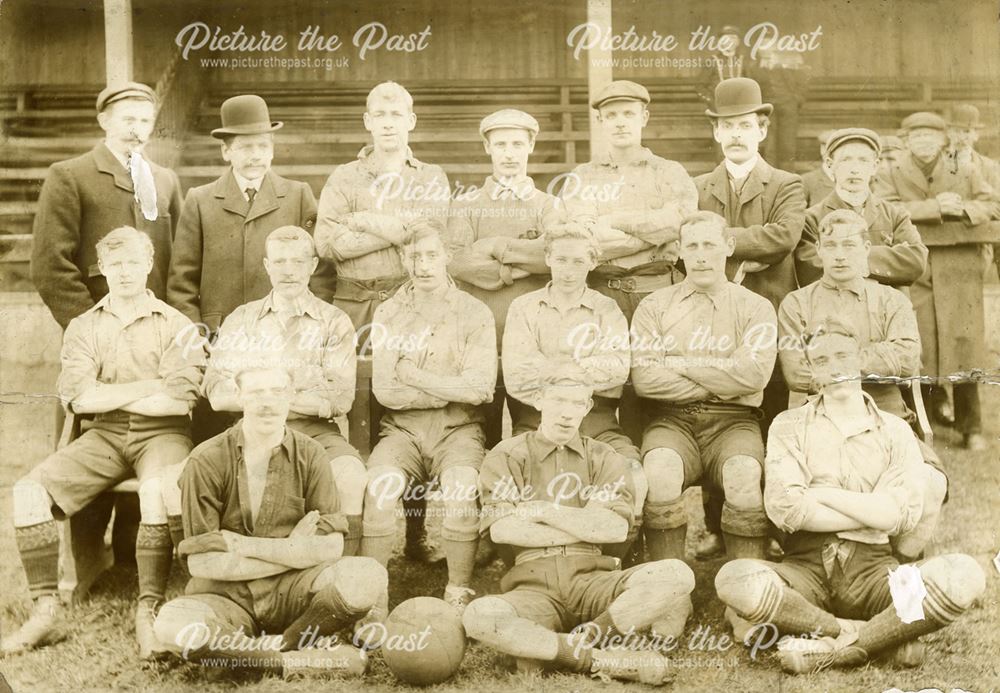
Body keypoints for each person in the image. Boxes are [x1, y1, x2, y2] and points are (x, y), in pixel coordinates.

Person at [715, 319, 985, 674]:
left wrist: (822, 493)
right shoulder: (789, 425)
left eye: (843, 355)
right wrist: (870, 509)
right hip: (805, 569)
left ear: (859, 359)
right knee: (733, 578)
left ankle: (838, 649)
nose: (835, 367)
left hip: (875, 572)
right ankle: (860, 634)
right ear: (812, 371)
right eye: (822, 360)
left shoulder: (896, 430)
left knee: (965, 574)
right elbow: (788, 510)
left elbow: (897, 516)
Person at [5, 227, 203, 659]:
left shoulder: (177, 324)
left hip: (163, 436)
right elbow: (79, 397)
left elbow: (179, 401)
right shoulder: (84, 325)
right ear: (103, 271)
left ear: (149, 264)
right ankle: (46, 610)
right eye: (116, 265)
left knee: (155, 491)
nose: (126, 272)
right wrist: (149, 385)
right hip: (105, 433)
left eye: (133, 262)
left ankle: (147, 608)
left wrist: (113, 391)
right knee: (28, 492)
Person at [152, 365, 384, 679]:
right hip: (224, 594)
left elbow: (331, 548)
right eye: (256, 392)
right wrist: (294, 550)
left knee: (368, 575)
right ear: (239, 396)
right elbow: (203, 564)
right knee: (170, 626)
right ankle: (293, 661)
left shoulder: (312, 454)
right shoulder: (205, 459)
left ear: (291, 397)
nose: (267, 402)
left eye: (277, 392)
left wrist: (240, 546)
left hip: (293, 591)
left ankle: (273, 646)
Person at [462, 378, 696, 685]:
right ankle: (600, 659)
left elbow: (613, 529)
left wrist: (544, 511)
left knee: (678, 575)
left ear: (587, 407)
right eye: (559, 401)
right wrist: (586, 523)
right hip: (533, 584)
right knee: (479, 616)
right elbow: (504, 530)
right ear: (538, 399)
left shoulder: (604, 456)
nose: (567, 413)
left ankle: (583, 638)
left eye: (576, 404)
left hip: (594, 579)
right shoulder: (507, 454)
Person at [779, 209, 947, 562]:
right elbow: (797, 373)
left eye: (850, 245)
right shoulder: (797, 304)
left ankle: (897, 564)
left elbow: (905, 360)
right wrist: (868, 359)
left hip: (886, 412)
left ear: (865, 248)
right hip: (819, 416)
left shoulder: (892, 300)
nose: (840, 254)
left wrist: (833, 358)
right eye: (831, 245)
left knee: (932, 484)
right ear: (819, 251)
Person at [201, 226, 366, 557]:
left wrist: (260, 391)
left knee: (351, 475)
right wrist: (301, 388)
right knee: (208, 469)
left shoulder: (333, 321)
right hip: (251, 431)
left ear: (312, 265)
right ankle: (239, 562)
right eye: (279, 262)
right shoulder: (242, 320)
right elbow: (217, 392)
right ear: (266, 266)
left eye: (297, 261)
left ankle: (345, 573)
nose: (288, 270)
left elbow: (338, 398)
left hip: (316, 435)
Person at [363, 223, 496, 611]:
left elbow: (478, 389)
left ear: (447, 256)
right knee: (380, 488)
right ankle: (372, 597)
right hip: (402, 431)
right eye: (414, 256)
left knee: (459, 489)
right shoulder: (388, 312)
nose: (423, 265)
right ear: (403, 259)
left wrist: (415, 376)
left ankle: (457, 591)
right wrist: (445, 385)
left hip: (458, 429)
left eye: (431, 255)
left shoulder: (473, 311)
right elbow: (386, 391)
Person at [631, 212, 776, 563]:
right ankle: (669, 589)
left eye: (709, 244)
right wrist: (724, 379)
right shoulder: (654, 306)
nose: (700, 255)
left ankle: (746, 591)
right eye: (691, 246)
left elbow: (754, 378)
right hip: (673, 421)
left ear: (728, 247)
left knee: (744, 474)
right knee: (660, 471)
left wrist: (678, 362)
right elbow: (645, 379)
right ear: (679, 250)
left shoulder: (755, 307)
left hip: (734, 422)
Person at [502, 223, 645, 558]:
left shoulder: (606, 309)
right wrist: (579, 368)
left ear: (593, 263)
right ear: (548, 257)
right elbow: (516, 376)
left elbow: (616, 369)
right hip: (537, 421)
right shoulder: (524, 308)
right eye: (562, 259)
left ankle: (619, 555)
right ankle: (526, 558)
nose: (569, 270)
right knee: (518, 473)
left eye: (578, 261)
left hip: (597, 420)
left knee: (634, 471)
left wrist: (552, 368)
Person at [873, 111, 1000, 450]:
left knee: (964, 344)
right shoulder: (890, 172)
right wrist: (936, 207)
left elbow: (990, 205)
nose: (925, 142)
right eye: (917, 137)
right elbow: (886, 208)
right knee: (920, 345)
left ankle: (971, 427)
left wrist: (960, 211)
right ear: (906, 141)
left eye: (931, 136)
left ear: (943, 141)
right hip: (916, 266)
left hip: (959, 268)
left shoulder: (966, 170)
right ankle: (921, 426)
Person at [447, 108, 564, 446]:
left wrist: (495, 247)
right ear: (488, 149)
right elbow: (459, 261)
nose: (509, 153)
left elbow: (554, 256)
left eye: (517, 144)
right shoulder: (466, 205)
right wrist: (522, 263)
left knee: (534, 430)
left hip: (534, 337)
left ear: (531, 146)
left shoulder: (549, 205)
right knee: (480, 432)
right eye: (500, 145)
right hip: (481, 334)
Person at [694, 77, 805, 430]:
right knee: (719, 407)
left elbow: (783, 237)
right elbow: (685, 243)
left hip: (770, 307)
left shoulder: (787, 184)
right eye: (728, 126)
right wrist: (749, 251)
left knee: (771, 408)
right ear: (716, 133)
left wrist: (717, 243)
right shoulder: (697, 187)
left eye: (745, 125)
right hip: (712, 314)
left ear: (762, 129)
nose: (736, 135)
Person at [167, 94, 323, 335]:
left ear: (273, 150)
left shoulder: (298, 195)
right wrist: (197, 337)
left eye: (263, 146)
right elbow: (181, 285)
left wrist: (307, 328)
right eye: (245, 147)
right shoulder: (200, 200)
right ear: (226, 151)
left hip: (286, 333)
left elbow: (320, 272)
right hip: (220, 335)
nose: (256, 155)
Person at [31, 82, 182, 329]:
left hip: (159, 329)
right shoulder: (69, 175)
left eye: (145, 121)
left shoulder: (166, 180)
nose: (137, 130)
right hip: (96, 331)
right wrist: (91, 326)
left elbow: (181, 262)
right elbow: (50, 266)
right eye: (128, 119)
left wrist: (174, 324)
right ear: (105, 121)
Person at [314, 81, 450, 340]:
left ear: (411, 121)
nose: (388, 123)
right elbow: (327, 244)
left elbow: (428, 237)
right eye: (380, 115)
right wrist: (401, 229)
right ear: (368, 121)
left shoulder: (431, 176)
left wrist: (364, 221)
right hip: (352, 308)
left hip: (413, 306)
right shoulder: (343, 176)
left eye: (396, 114)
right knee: (350, 380)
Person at [560, 80, 698, 321]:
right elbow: (585, 239)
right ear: (600, 121)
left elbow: (681, 223)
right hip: (601, 296)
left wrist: (614, 220)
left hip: (661, 293)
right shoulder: (582, 176)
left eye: (628, 114)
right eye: (611, 115)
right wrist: (654, 235)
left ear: (643, 118)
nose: (620, 122)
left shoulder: (669, 171)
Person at [796, 128, 928, 289]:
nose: (855, 169)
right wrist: (885, 258)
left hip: (887, 309)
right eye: (846, 160)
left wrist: (844, 258)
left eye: (863, 160)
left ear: (875, 166)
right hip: (835, 308)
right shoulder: (811, 219)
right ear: (830, 165)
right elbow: (811, 267)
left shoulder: (895, 215)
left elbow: (915, 261)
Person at [799, 130, 835, 206]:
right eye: (826, 148)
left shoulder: (852, 179)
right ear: (822, 150)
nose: (831, 153)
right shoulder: (807, 180)